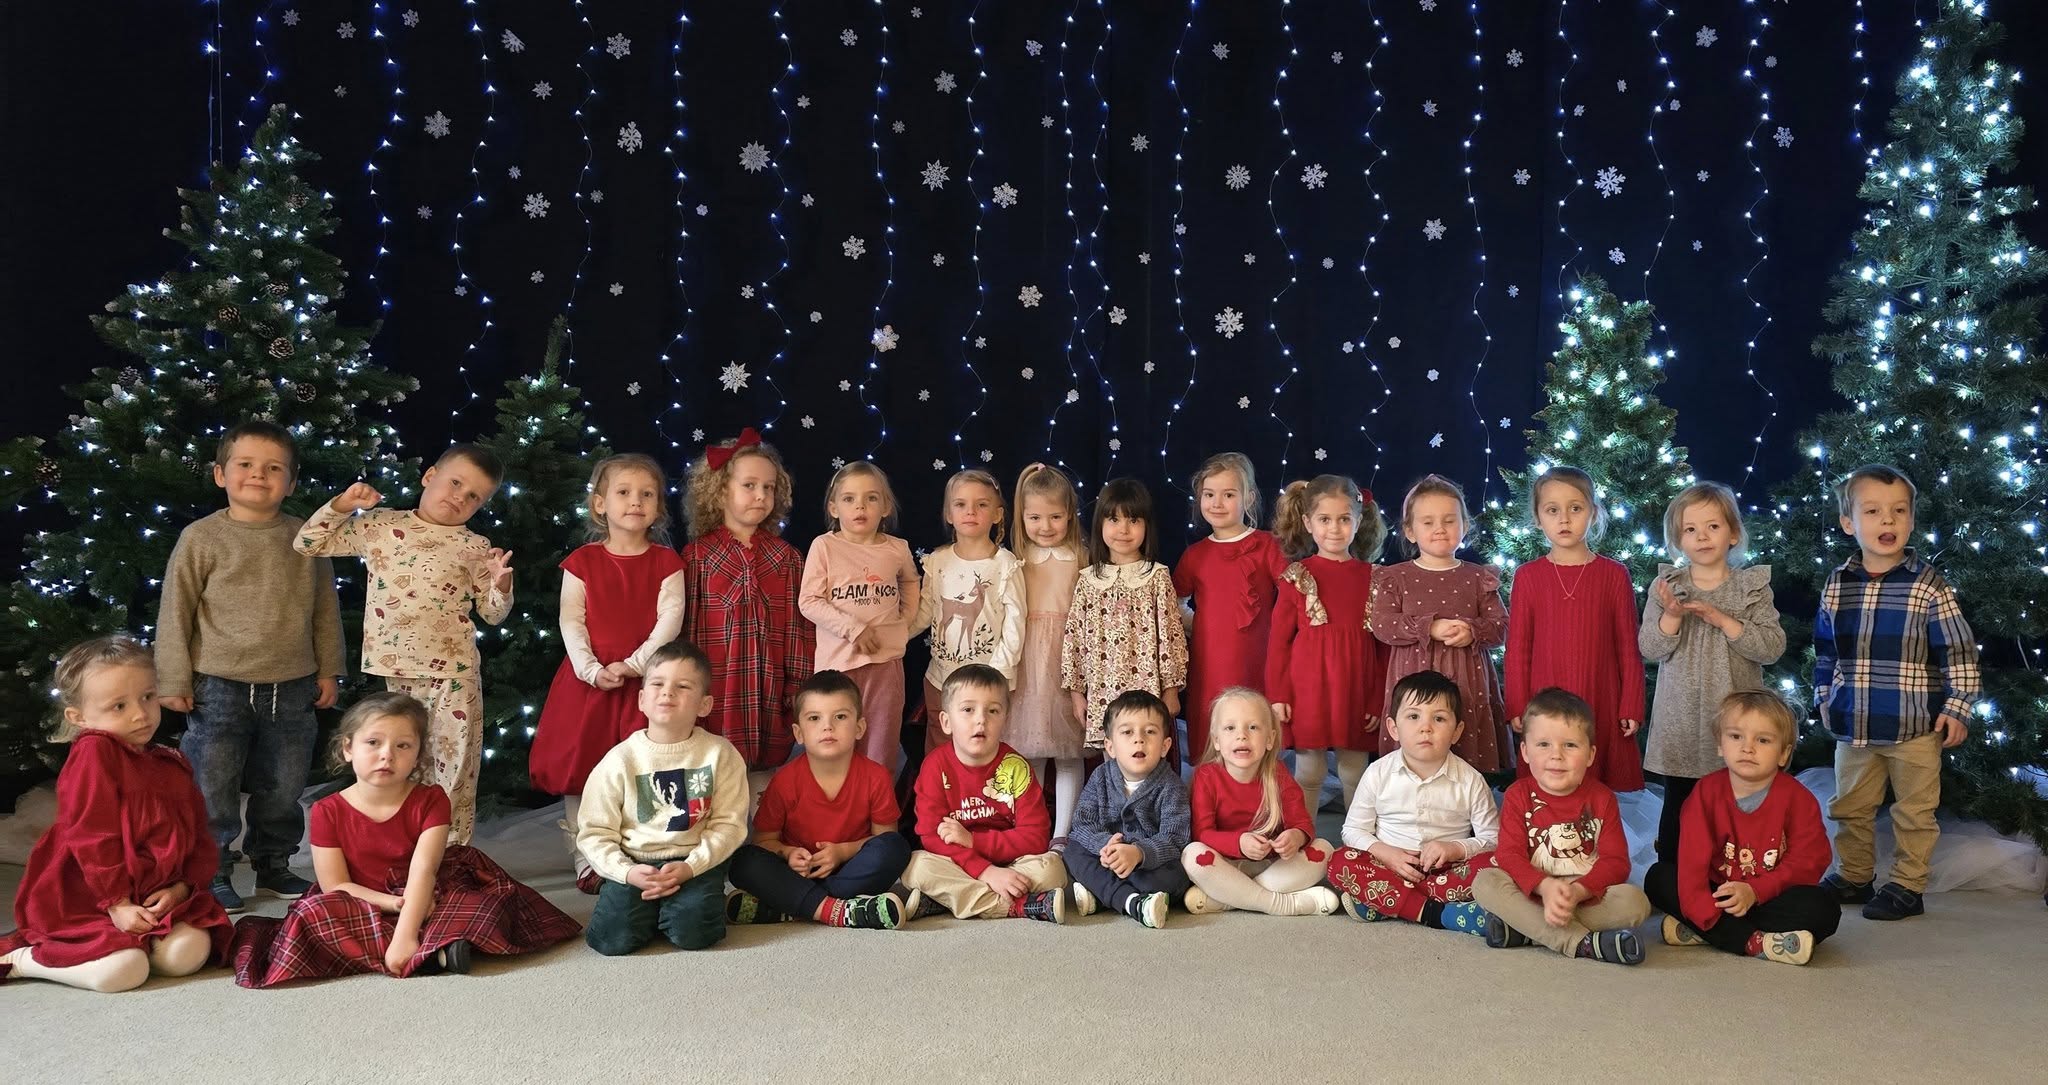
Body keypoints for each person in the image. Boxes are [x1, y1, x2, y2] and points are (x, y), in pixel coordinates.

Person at [230, 693, 580, 986]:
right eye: (373, 743)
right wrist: (394, 905)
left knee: (482, 904)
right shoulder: (327, 810)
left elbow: (424, 871)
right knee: (311, 915)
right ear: (348, 748)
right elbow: (336, 885)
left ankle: (415, 945)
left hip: (429, 889)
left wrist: (406, 933)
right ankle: (435, 952)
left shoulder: (431, 800)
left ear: (417, 755)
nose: (387, 755)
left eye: (403, 746)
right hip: (361, 897)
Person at [154, 420, 343, 910]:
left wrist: (329, 669)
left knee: (284, 783)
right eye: (245, 464)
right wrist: (172, 678)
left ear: (292, 483)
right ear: (220, 474)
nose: (259, 475)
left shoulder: (306, 538)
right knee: (212, 784)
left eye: (274, 468)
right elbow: (175, 610)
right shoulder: (201, 537)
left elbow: (325, 608)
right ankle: (211, 868)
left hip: (293, 684)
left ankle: (274, 862)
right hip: (218, 685)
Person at [295, 443, 515, 844]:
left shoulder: (475, 547)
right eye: (455, 483)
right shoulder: (380, 525)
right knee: (403, 761)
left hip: (453, 672)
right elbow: (309, 543)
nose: (460, 498)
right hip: (397, 667)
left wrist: (500, 585)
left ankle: (451, 852)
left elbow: (493, 613)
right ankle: (408, 846)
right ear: (429, 476)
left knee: (454, 766)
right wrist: (342, 505)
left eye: (474, 497)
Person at [1, 637, 231, 991]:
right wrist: (118, 904)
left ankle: (140, 944)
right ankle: (23, 961)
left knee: (187, 955)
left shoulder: (170, 762)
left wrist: (183, 887)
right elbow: (93, 836)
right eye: (119, 706)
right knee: (123, 972)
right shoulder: (95, 752)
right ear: (79, 717)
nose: (140, 714)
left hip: (156, 895)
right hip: (92, 898)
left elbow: (199, 834)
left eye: (148, 697)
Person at [1816, 465, 1980, 921]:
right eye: (1872, 511)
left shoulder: (1928, 585)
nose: (1887, 520)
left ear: (1910, 520)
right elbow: (1826, 649)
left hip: (1914, 727)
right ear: (1849, 523)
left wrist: (1958, 706)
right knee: (1850, 807)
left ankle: (1908, 885)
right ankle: (1854, 875)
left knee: (1914, 811)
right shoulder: (1838, 583)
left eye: (1898, 511)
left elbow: (1959, 651)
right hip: (1854, 723)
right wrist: (1824, 694)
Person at [530, 453, 686, 892]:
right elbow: (571, 620)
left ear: (659, 506)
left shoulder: (667, 563)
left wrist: (635, 665)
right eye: (623, 492)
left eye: (647, 494)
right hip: (589, 682)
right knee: (580, 768)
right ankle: (586, 858)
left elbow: (669, 621)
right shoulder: (582, 561)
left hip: (647, 682)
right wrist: (591, 669)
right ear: (600, 504)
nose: (635, 501)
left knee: (646, 766)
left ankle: (645, 850)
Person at [1639, 481, 1785, 864]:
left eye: (1713, 526)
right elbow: (1650, 648)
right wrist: (1672, 616)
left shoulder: (1751, 588)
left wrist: (1723, 620)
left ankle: (1732, 870)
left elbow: (1771, 648)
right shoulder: (1667, 587)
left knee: (1733, 803)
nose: (1702, 536)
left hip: (1736, 723)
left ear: (1733, 533)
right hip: (1680, 720)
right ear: (1678, 539)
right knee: (1679, 802)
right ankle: (1672, 871)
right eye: (1690, 529)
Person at [577, 640, 750, 955]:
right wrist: (626, 872)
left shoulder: (720, 754)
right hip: (634, 861)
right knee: (611, 940)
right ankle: (644, 905)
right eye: (657, 684)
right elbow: (594, 831)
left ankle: (675, 908)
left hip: (693, 861)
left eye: (683, 686)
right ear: (642, 699)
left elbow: (729, 825)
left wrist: (692, 867)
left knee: (695, 933)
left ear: (704, 705)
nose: (667, 693)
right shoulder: (619, 760)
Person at [1645, 691, 1840, 966]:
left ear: (1784, 753)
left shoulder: (1798, 799)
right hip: (1717, 893)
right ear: (1720, 745)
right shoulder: (1704, 794)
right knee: (1659, 878)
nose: (1748, 748)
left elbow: (1808, 862)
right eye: (1736, 736)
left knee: (1824, 908)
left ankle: (1703, 931)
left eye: (1763, 740)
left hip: (1769, 895)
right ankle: (1754, 942)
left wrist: (1755, 891)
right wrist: (1703, 908)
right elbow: (1692, 864)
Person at [679, 429, 815, 798]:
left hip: (769, 696)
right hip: (717, 698)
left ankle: (762, 830)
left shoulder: (787, 558)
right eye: (750, 485)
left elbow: (799, 632)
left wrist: (796, 690)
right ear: (721, 490)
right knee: (710, 783)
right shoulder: (697, 558)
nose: (761, 495)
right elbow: (687, 634)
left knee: (763, 790)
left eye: (769, 487)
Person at [1470, 688, 1652, 965]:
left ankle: (1527, 930)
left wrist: (1577, 892)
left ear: (1590, 755)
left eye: (1570, 745)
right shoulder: (1518, 795)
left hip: (1583, 896)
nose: (1556, 755)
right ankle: (1582, 943)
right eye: (1543, 744)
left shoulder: (1602, 798)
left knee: (1636, 903)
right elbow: (1509, 855)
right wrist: (1544, 888)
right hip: (1532, 894)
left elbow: (1616, 863)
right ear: (1525, 751)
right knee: (1486, 882)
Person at [726, 671, 911, 929]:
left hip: (849, 872)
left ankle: (793, 906)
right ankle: (839, 909)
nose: (828, 726)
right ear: (798, 733)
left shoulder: (875, 777)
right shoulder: (785, 781)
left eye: (840, 717)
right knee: (743, 861)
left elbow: (883, 839)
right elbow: (764, 842)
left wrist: (842, 852)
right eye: (814, 718)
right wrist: (789, 853)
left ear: (859, 728)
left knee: (896, 847)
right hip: (796, 874)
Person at [1502, 466, 1645, 791]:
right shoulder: (1527, 576)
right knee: (1548, 784)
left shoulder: (1614, 575)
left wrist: (1631, 703)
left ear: (1593, 513)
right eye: (1552, 510)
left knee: (1595, 789)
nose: (1564, 519)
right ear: (1538, 518)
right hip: (1544, 703)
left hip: (1601, 698)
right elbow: (1518, 648)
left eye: (1575, 508)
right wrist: (1517, 704)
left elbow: (1628, 646)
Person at [1326, 670, 1499, 936]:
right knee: (1338, 860)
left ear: (1457, 731)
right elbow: (1353, 831)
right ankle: (1441, 913)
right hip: (1389, 867)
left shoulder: (1471, 780)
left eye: (1439, 718)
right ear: (1394, 728)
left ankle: (1387, 901)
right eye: (1413, 716)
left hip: (1447, 871)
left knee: (1498, 862)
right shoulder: (1378, 773)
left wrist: (1455, 848)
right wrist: (1385, 853)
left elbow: (1493, 839)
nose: (1425, 727)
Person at [900, 664, 1069, 923]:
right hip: (957, 863)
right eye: (968, 710)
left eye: (993, 711)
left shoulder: (1016, 766)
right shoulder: (935, 766)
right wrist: (985, 872)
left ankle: (950, 899)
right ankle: (1016, 906)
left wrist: (974, 841)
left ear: (1005, 719)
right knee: (915, 866)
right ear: (946, 722)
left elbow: (1036, 837)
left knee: (1053, 869)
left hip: (1011, 864)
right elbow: (932, 837)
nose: (981, 720)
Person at [1369, 474, 1511, 771]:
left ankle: (1466, 797)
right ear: (1410, 531)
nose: (1440, 529)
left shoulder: (1478, 577)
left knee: (1464, 749)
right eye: (1428, 522)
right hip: (1413, 678)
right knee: (1415, 751)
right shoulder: (1396, 577)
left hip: (1467, 682)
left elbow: (1501, 626)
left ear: (1465, 526)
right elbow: (1381, 624)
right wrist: (1428, 628)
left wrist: (1473, 631)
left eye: (1449, 521)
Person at [1267, 474, 1388, 813]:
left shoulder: (1376, 578)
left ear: (1358, 521)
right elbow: (1278, 642)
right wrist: (1278, 694)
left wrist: (1378, 699)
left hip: (1356, 687)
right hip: (1309, 688)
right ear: (1308, 523)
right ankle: (1304, 837)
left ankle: (1357, 838)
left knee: (1355, 770)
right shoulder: (1297, 576)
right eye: (1324, 519)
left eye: (1344, 519)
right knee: (1309, 770)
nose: (1334, 528)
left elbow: (1384, 648)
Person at [800, 460, 920, 780]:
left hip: (885, 666)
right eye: (849, 499)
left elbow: (910, 582)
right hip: (838, 667)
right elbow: (809, 601)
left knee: (881, 746)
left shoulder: (897, 549)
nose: (860, 506)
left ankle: (877, 806)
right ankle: (834, 805)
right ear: (834, 507)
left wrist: (905, 621)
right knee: (835, 745)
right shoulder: (824, 546)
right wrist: (853, 629)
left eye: (871, 498)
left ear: (885, 507)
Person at [1179, 688, 1339, 917]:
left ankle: (1229, 898)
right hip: (1225, 866)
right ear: (1216, 740)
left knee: (1324, 849)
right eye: (1230, 728)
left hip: (1272, 866)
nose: (1242, 735)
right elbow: (1202, 834)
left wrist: (1296, 837)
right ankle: (1279, 904)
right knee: (1192, 854)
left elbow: (1303, 824)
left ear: (1270, 739)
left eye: (1253, 727)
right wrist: (1239, 842)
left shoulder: (1278, 774)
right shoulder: (1206, 776)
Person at [1173, 453, 1288, 767]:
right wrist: (1202, 625)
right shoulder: (1195, 555)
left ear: (1248, 498)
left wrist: (1281, 636)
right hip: (1209, 663)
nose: (1217, 503)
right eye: (1209, 495)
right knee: (1210, 727)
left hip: (1256, 662)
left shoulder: (1268, 546)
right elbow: (1175, 605)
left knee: (1252, 727)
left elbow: (1292, 597)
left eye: (1228, 495)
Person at [1063, 478, 1189, 752]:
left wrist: (1171, 690)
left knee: (1145, 754)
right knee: (1112, 758)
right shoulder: (1088, 580)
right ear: (1100, 523)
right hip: (1103, 692)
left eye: (1133, 520)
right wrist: (1076, 692)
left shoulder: (1156, 577)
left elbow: (1171, 638)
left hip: (1147, 690)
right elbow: (1074, 639)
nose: (1123, 529)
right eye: (1113, 519)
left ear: (1146, 525)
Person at [910, 469, 1025, 759]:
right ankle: (939, 789)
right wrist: (893, 636)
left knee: (985, 746)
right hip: (942, 677)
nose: (970, 511)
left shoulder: (1005, 564)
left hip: (988, 680)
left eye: (981, 504)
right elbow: (925, 612)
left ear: (997, 514)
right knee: (940, 744)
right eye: (960, 504)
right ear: (949, 514)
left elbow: (1015, 623)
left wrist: (999, 673)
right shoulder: (937, 560)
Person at [1008, 463, 1090, 845]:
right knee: (1030, 750)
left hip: (1066, 659)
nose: (1045, 526)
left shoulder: (1080, 556)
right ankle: (1032, 828)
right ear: (1022, 517)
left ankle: (1062, 835)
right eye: (1035, 517)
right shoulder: (1016, 558)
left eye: (1055, 516)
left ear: (1070, 515)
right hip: (1027, 660)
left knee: (1069, 751)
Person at [1065, 691, 1191, 928]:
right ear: (1110, 746)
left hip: (1147, 866)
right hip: (1108, 858)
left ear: (1165, 746)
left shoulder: (1171, 785)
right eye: (1127, 732)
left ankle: (1105, 896)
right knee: (1073, 852)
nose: (1139, 740)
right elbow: (1082, 824)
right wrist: (1105, 845)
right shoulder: (1101, 777)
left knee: (1177, 875)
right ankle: (1132, 901)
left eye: (1150, 732)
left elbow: (1176, 838)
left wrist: (1138, 853)